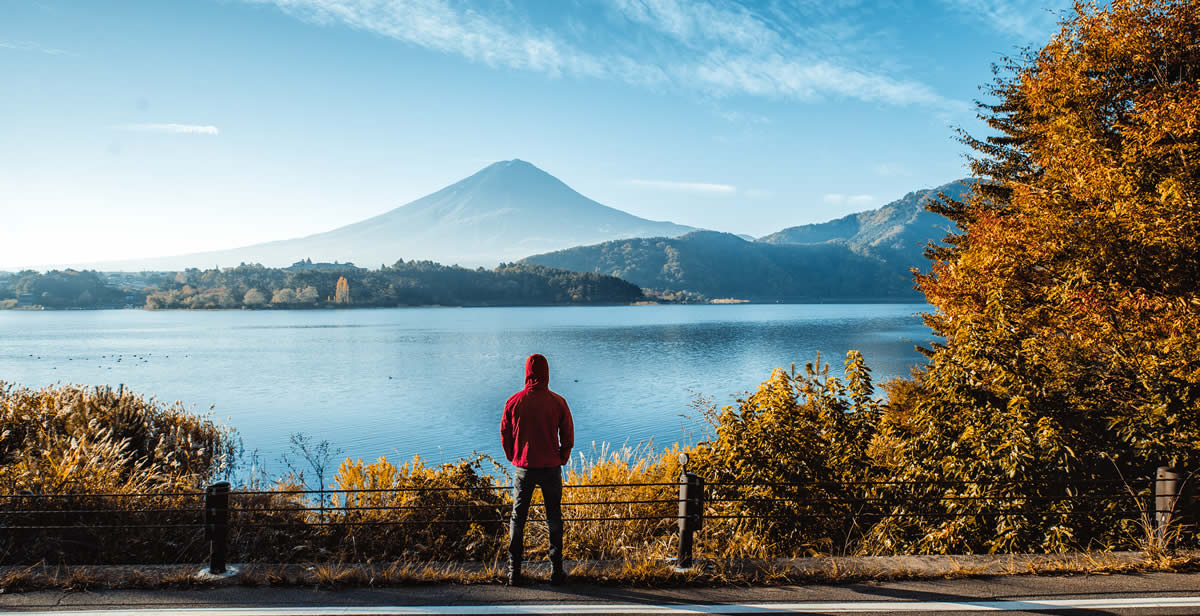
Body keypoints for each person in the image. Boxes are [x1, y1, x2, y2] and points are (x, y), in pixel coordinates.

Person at [501, 353, 574, 586]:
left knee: (517, 518)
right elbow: (568, 435)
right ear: (546, 373)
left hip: (524, 468)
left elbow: (505, 434)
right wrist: (563, 456)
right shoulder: (558, 402)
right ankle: (556, 571)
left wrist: (513, 456)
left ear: (527, 372)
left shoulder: (514, 402)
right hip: (551, 467)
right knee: (554, 517)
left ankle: (514, 572)